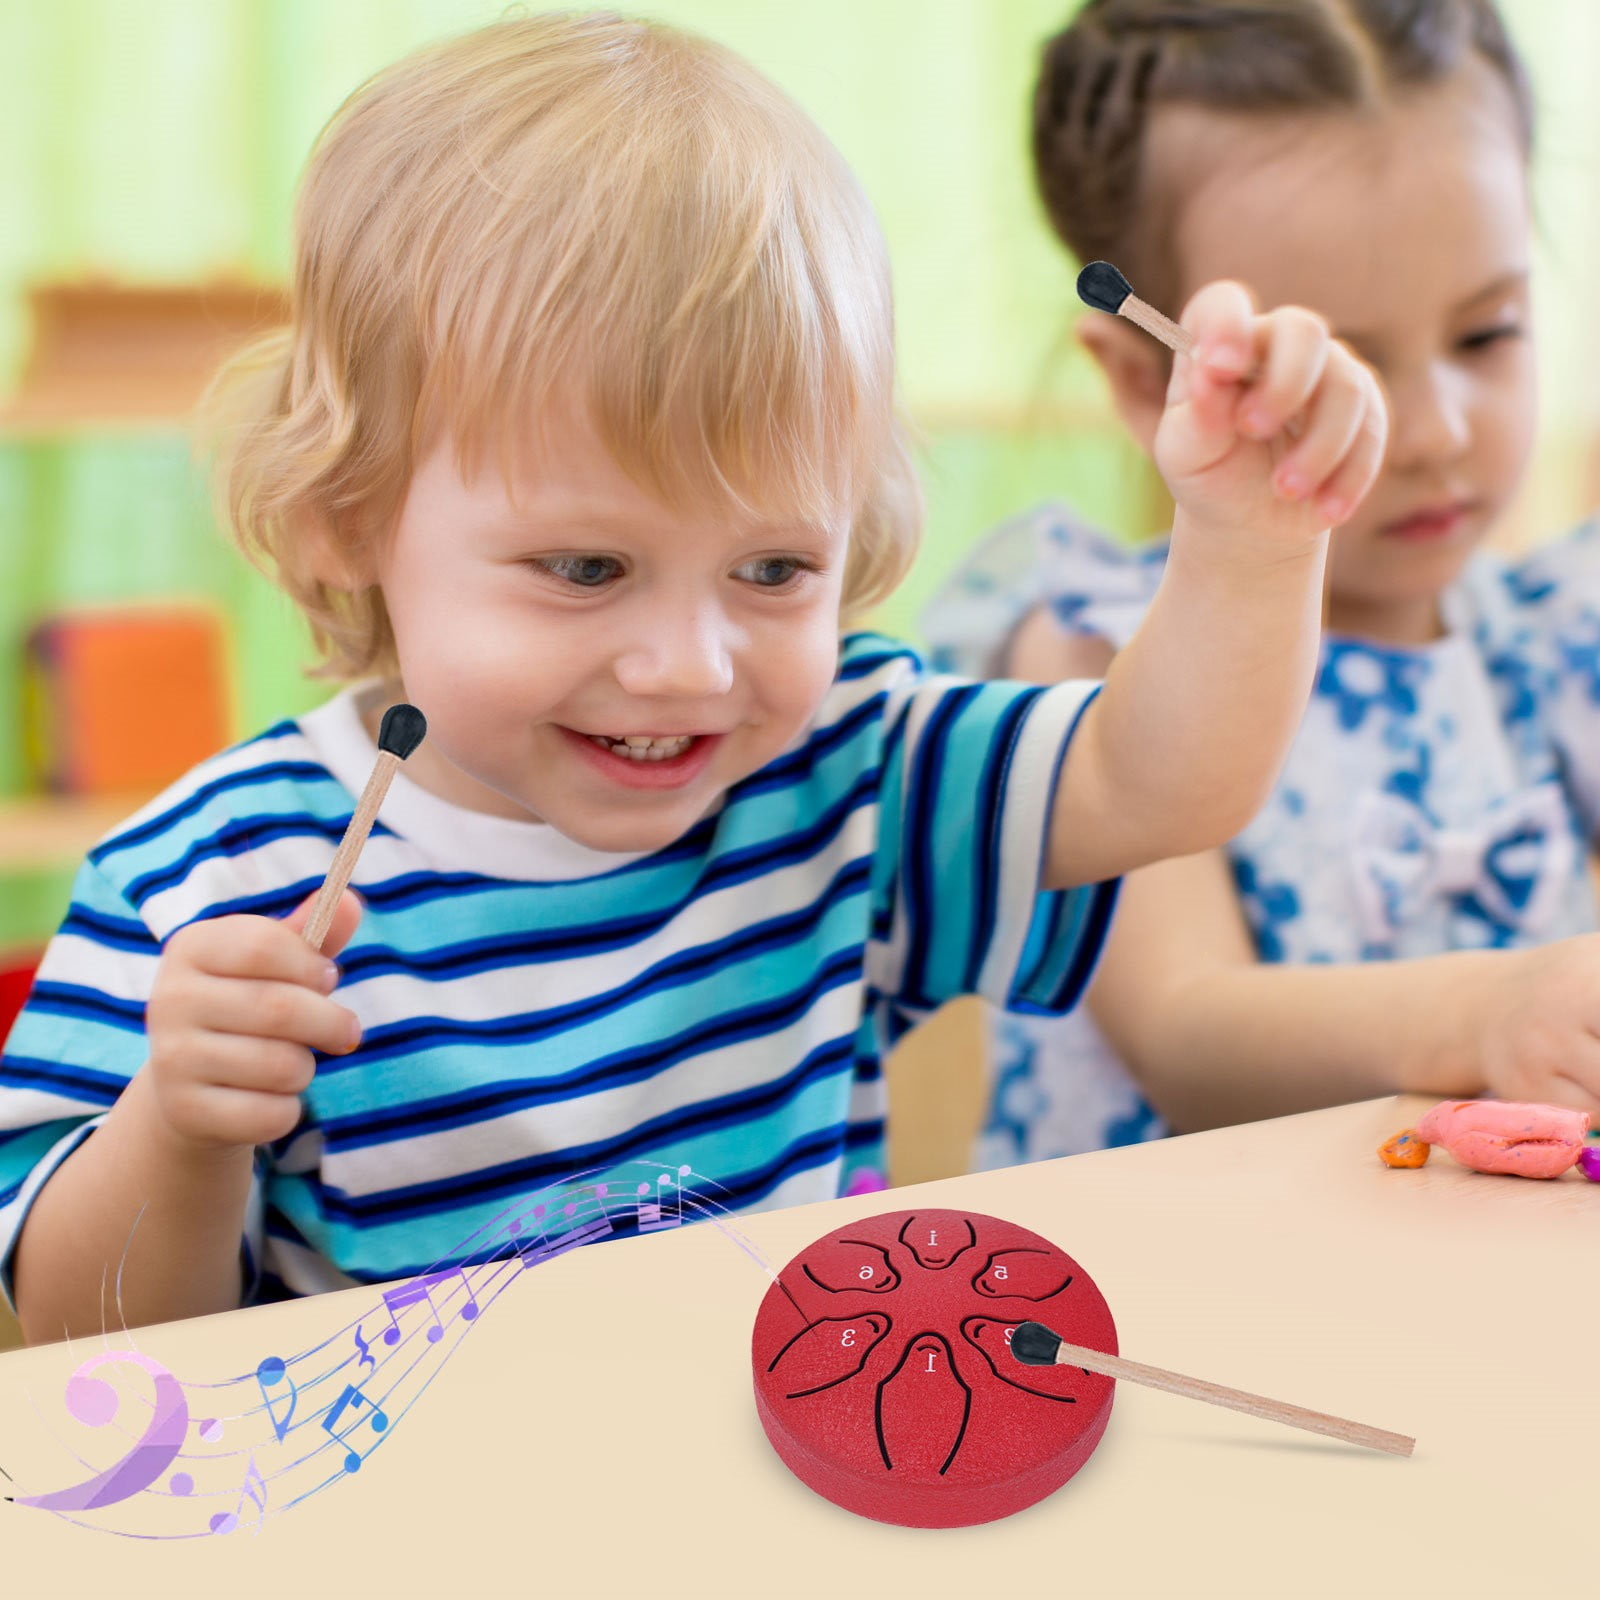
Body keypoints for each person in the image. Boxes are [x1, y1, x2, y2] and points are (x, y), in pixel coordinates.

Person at [0, 11, 1381, 1342]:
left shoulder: (842, 770)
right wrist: (179, 1129)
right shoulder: (206, 883)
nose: (688, 668)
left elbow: (1166, 781)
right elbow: (84, 1337)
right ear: (347, 515)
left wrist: (1253, 542)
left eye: (774, 570)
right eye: (587, 569)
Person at [922, 0, 1600, 1170]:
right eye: (1341, 368)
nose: (1434, 429)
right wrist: (1486, 1012)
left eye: (1486, 334)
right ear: (1145, 380)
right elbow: (1187, 1031)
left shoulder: (1555, 635)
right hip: (1168, 1309)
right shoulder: (1091, 649)